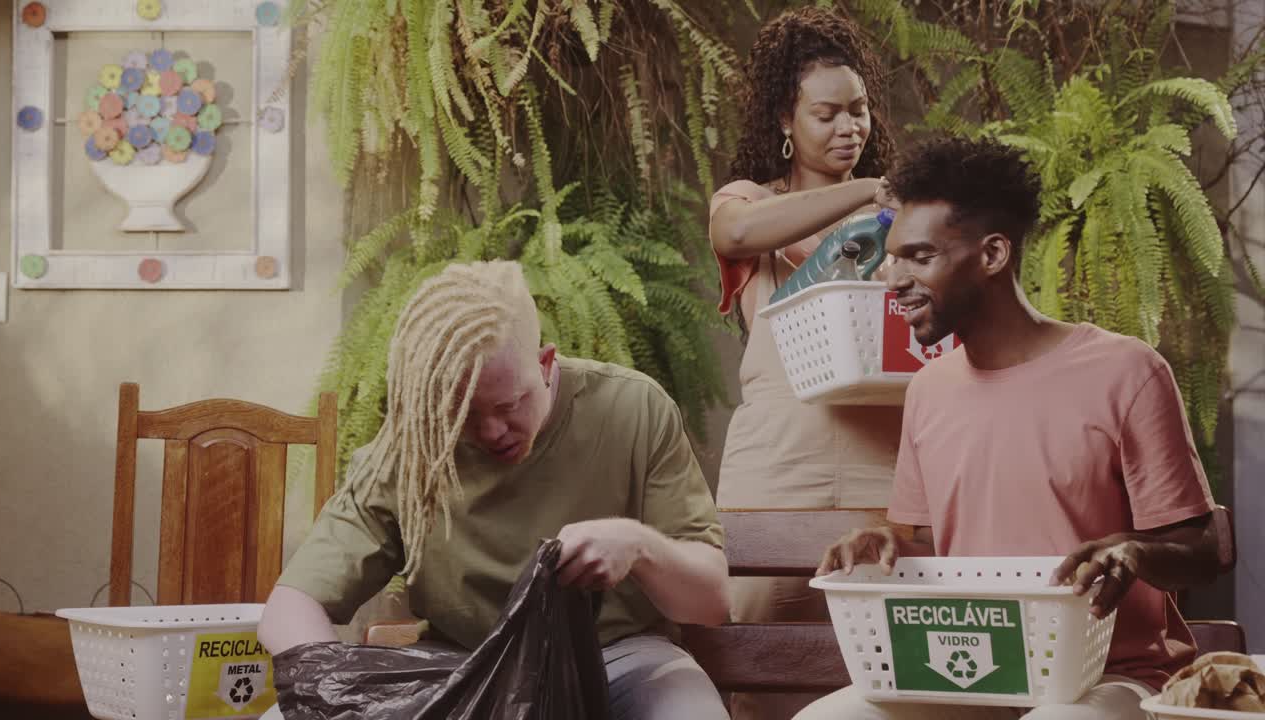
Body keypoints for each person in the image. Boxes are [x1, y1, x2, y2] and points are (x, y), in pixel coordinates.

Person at [794, 137, 1222, 720]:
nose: (892, 280)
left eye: (919, 257)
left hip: (1112, 677)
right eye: (893, 258)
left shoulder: (1126, 371)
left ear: (993, 255)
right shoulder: (928, 391)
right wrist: (887, 541)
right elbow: (931, 546)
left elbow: (1205, 549)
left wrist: (1135, 552)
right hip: (970, 673)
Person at [257, 260, 733, 720]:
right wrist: (340, 696)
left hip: (618, 662)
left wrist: (639, 546)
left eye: (510, 405)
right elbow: (292, 606)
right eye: (463, 415)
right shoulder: (413, 448)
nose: (491, 432)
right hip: (463, 671)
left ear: (545, 363)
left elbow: (710, 602)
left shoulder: (633, 409)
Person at [708, 8, 901, 718]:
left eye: (859, 111)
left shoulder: (900, 224)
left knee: (880, 669)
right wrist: (866, 195)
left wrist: (888, 212)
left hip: (884, 465)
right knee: (758, 665)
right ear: (786, 119)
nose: (849, 127)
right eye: (827, 113)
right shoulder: (750, 202)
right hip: (777, 469)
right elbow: (737, 232)